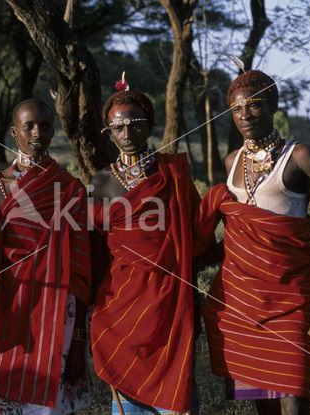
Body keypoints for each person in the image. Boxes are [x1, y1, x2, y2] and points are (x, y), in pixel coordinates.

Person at [196, 69, 310, 415]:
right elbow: (237, 235)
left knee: (294, 399)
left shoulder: (302, 157)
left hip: (291, 298)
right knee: (263, 404)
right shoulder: (232, 162)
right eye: (236, 109)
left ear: (274, 105)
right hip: (242, 301)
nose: (244, 115)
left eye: (254, 106)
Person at [89, 82, 216, 415]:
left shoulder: (172, 171)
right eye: (118, 125)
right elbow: (98, 249)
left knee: (177, 391)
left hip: (171, 299)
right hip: (122, 301)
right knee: (128, 389)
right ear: (109, 131)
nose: (127, 131)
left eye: (135, 123)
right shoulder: (101, 180)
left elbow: (195, 233)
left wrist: (220, 205)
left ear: (149, 125)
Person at [0, 98, 92, 414]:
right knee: (8, 382)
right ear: (14, 131)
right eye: (29, 126)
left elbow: (79, 265)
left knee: (51, 395)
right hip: (7, 304)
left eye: (45, 125)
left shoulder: (70, 187)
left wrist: (78, 337)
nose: (38, 133)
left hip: (57, 307)